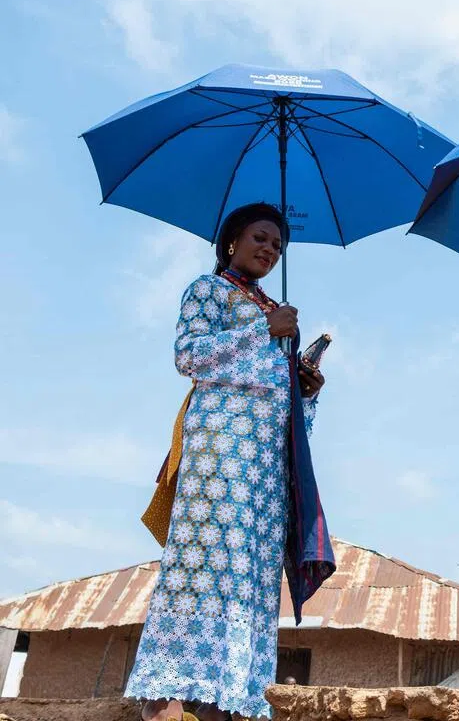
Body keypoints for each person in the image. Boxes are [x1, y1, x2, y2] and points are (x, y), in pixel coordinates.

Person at [126, 203, 333, 721]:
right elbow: (188, 355)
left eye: (277, 245)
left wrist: (303, 388)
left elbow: (278, 401)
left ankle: (226, 694)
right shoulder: (208, 290)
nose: (269, 249)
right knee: (203, 563)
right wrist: (262, 329)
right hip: (219, 449)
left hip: (266, 466)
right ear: (231, 244)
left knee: (250, 574)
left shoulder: (275, 311)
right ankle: (166, 694)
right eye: (260, 238)